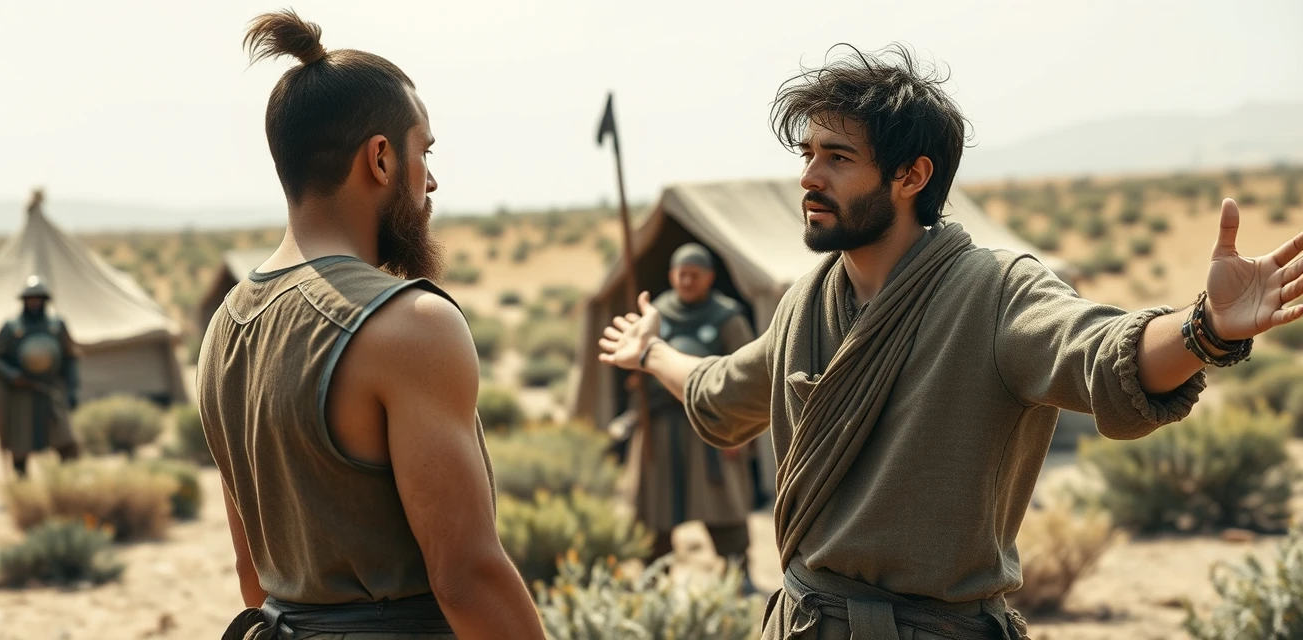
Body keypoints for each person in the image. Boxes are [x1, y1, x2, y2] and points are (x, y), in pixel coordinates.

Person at [597, 45, 1303, 640]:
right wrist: (651, 353)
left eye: (837, 157)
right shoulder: (804, 305)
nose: (809, 177)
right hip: (804, 622)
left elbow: (1101, 352)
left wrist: (1204, 328)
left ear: (912, 175)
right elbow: (721, 391)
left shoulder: (992, 291)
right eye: (808, 154)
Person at [198, 9, 543, 640]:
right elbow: (465, 575)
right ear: (380, 159)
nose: (431, 179)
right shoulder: (411, 324)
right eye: (424, 152)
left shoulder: (226, 327)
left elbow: (255, 575)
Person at [609, 243, 759, 588]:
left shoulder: (727, 318)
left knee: (724, 503)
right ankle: (653, 572)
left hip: (712, 425)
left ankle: (738, 571)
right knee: (655, 505)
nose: (687, 280)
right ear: (671, 276)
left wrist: (743, 433)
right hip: (661, 426)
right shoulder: (655, 316)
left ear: (708, 277)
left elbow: (748, 377)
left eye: (695, 274)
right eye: (681, 274)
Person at [0, 275, 81, 478]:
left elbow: (70, 357)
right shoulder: (11, 327)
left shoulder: (56, 325)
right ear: (24, 301)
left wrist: (73, 389)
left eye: (38, 298)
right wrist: (12, 375)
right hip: (22, 390)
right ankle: (22, 482)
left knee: (65, 439)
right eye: (30, 298)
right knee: (21, 440)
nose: (34, 302)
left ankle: (68, 481)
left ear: (44, 300)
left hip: (51, 388)